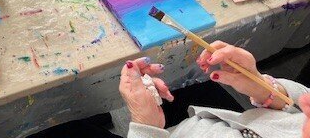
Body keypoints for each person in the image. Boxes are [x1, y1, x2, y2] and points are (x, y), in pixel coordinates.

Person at [119, 41, 308, 137]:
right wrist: (267, 91)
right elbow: (304, 99)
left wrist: (145, 128)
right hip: (217, 120)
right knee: (189, 78)